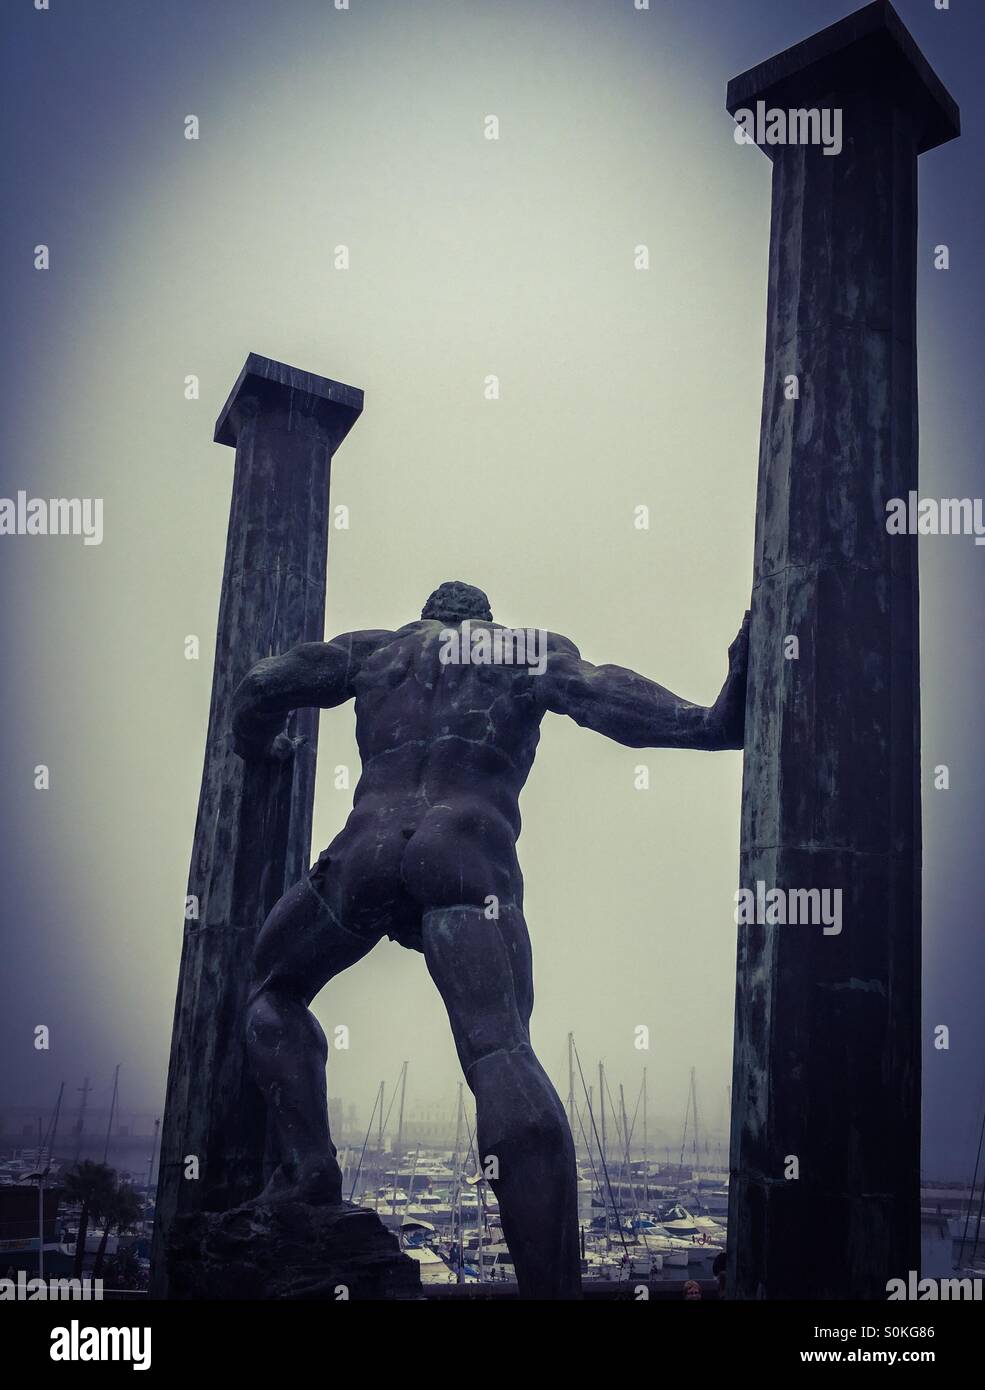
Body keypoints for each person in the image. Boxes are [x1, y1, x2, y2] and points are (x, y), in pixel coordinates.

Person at [232, 579, 749, 1300]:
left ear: (428, 617)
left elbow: (260, 684)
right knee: (497, 1051)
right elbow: (600, 695)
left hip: (363, 854)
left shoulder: (372, 654)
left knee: (272, 996)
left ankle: (309, 1168)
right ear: (484, 620)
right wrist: (708, 723)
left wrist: (259, 748)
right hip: (462, 849)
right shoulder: (521, 653)